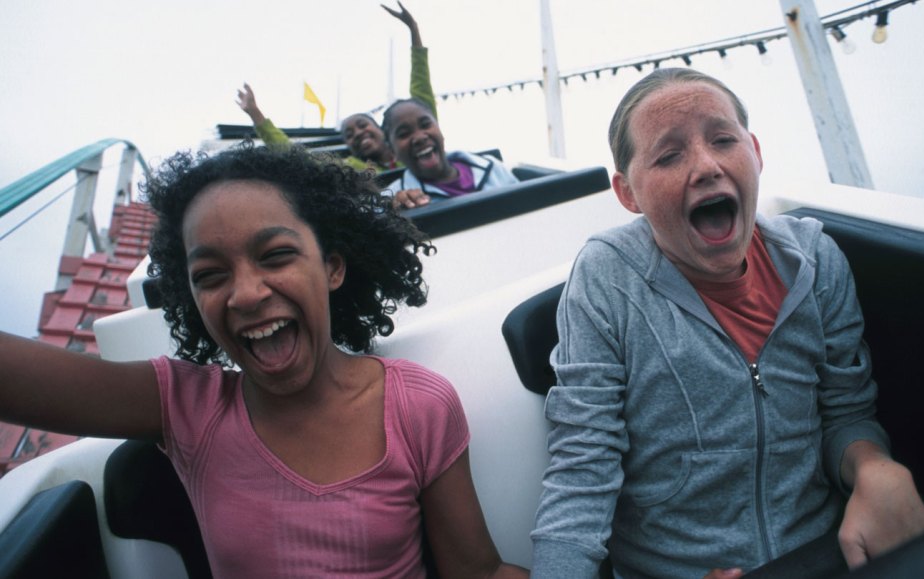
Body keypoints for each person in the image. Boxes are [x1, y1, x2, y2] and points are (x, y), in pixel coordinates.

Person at [0, 144, 528, 579]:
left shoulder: (418, 404)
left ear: (333, 268)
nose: (247, 294)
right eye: (210, 275)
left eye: (275, 255)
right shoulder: (188, 408)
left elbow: (477, 573)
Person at [529, 68, 924, 579]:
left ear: (755, 152)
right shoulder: (606, 278)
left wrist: (875, 467)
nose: (706, 166)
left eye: (723, 139)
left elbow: (847, 412)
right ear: (627, 192)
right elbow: (583, 467)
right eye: (669, 155)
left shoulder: (815, 260)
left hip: (823, 549)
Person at [235, 2, 436, 174]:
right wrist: (256, 115)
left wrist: (414, 31)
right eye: (349, 135)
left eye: (362, 125)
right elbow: (296, 157)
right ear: (348, 146)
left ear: (382, 130)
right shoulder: (352, 170)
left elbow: (422, 95)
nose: (358, 133)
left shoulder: (415, 148)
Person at [382, 97, 519, 208]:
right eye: (404, 134)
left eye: (425, 125)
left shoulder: (492, 166)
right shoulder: (392, 197)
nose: (419, 137)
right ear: (392, 151)